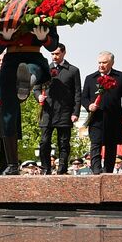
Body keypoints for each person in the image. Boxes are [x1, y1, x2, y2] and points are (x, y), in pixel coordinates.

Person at [0, 0, 60, 174]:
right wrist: (5, 36)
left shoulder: (44, 8)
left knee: (31, 70)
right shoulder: (5, 10)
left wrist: (43, 38)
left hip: (33, 54)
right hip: (10, 58)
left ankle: (27, 83)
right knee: (8, 114)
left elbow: (53, 44)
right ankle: (12, 164)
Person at [81, 51, 122, 174]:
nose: (101, 65)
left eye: (104, 62)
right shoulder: (90, 78)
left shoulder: (120, 77)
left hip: (114, 118)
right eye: (99, 62)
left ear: (112, 63)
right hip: (96, 118)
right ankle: (96, 170)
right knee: (95, 144)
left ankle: (108, 171)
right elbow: (83, 98)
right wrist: (89, 105)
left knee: (111, 145)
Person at [37, 41, 81, 174]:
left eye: (57, 53)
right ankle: (46, 168)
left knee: (63, 143)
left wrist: (75, 112)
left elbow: (78, 93)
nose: (54, 56)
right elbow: (36, 88)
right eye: (52, 54)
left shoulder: (73, 70)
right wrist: (38, 96)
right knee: (44, 142)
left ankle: (62, 168)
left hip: (65, 112)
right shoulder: (45, 70)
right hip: (47, 112)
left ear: (63, 53)